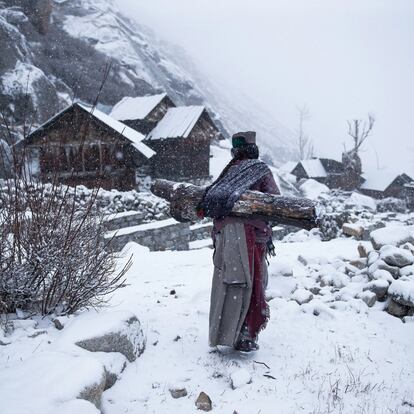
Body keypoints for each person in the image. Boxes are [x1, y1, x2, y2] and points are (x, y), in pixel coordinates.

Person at [199, 131, 279, 352]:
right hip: (251, 238)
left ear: (236, 151)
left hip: (226, 237)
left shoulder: (229, 172)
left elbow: (213, 204)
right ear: (254, 149)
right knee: (251, 285)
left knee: (227, 284)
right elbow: (275, 203)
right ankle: (245, 334)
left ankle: (225, 332)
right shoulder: (260, 171)